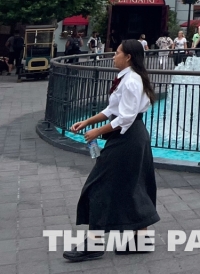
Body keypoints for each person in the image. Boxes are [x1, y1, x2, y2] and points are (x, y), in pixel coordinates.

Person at [65, 39, 159, 262]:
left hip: (129, 138)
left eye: (117, 53)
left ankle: (94, 244)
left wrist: (97, 132)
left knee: (99, 185)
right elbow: (112, 109)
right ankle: (140, 240)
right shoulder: (128, 78)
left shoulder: (131, 81)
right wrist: (88, 121)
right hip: (131, 136)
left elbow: (125, 117)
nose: (113, 56)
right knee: (131, 185)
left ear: (128, 57)